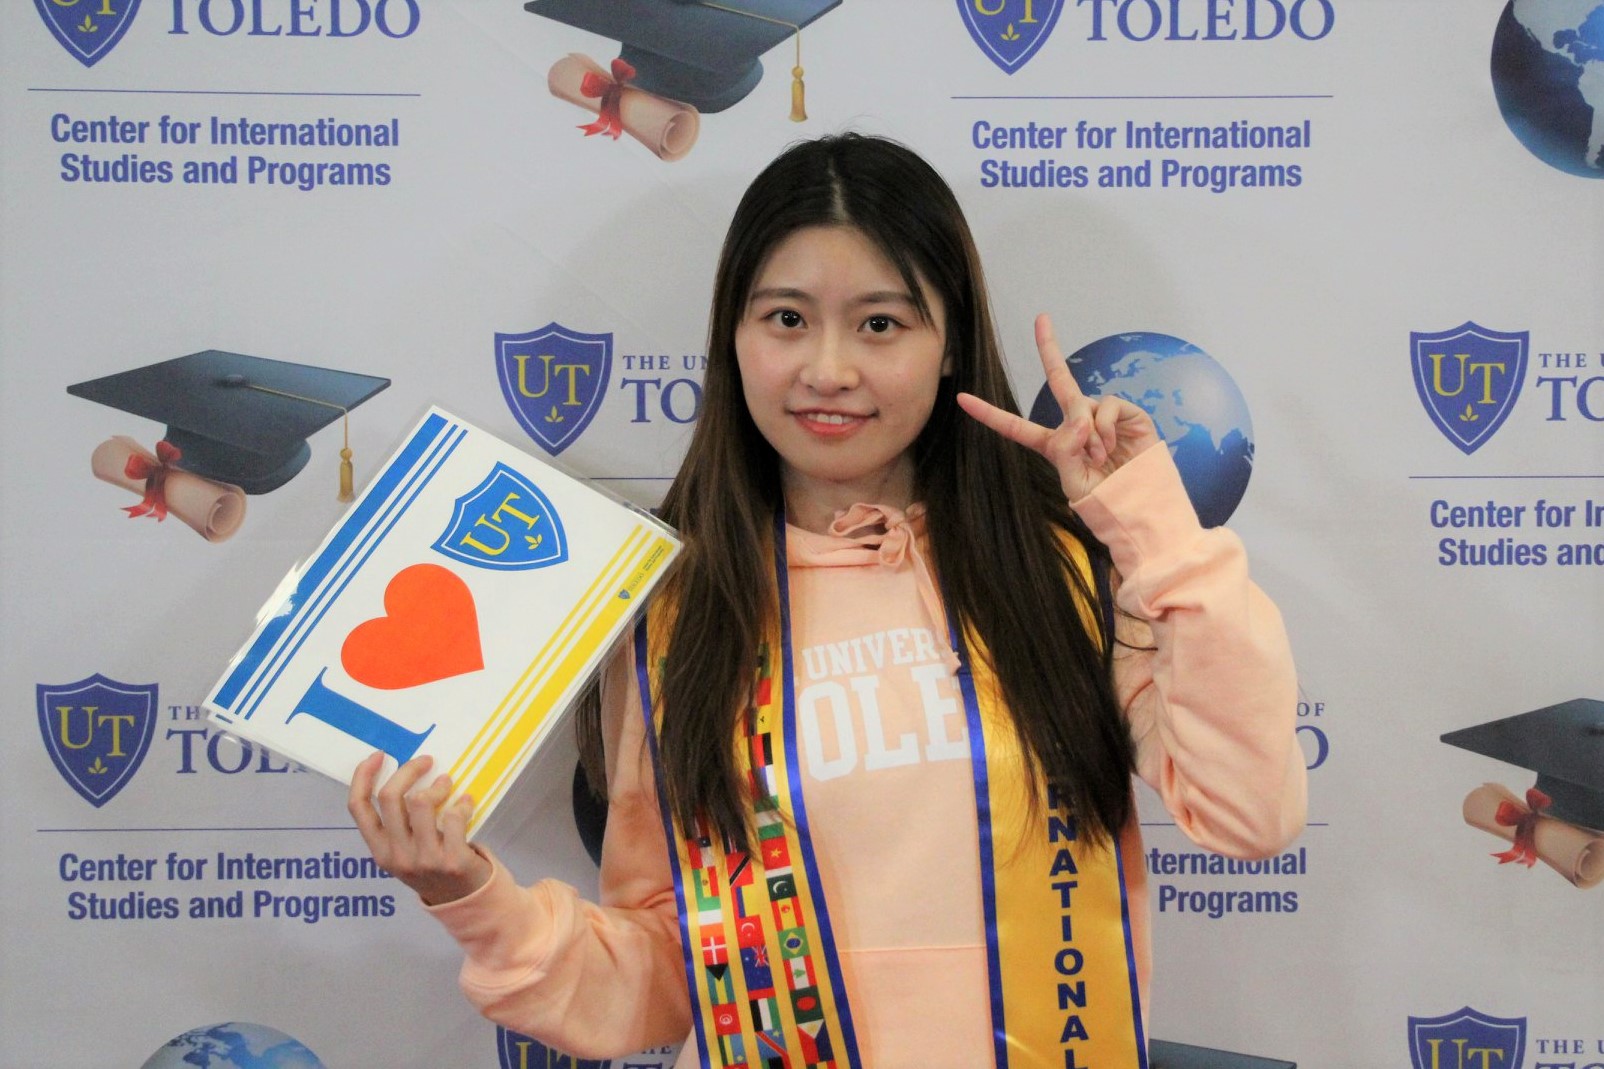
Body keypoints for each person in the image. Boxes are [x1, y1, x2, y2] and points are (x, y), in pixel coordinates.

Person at [348, 132, 1306, 1068]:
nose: (828, 369)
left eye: (881, 323)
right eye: (787, 319)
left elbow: (1251, 812)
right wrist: (469, 892)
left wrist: (1152, 526)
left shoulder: (1054, 575)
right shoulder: (677, 617)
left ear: (948, 346)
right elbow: (665, 972)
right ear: (733, 338)